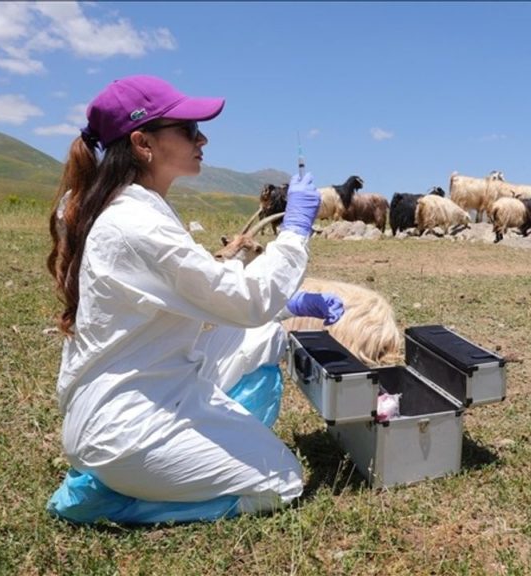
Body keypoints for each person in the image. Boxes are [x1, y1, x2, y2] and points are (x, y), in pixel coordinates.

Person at [45, 75, 344, 524]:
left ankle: (164, 463)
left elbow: (204, 289)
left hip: (145, 388)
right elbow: (240, 298)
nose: (201, 138)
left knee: (262, 332)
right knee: (281, 482)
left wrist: (290, 303)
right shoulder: (134, 225)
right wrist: (296, 231)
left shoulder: (128, 208)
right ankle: (115, 498)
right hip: (126, 427)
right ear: (143, 143)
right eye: (188, 129)